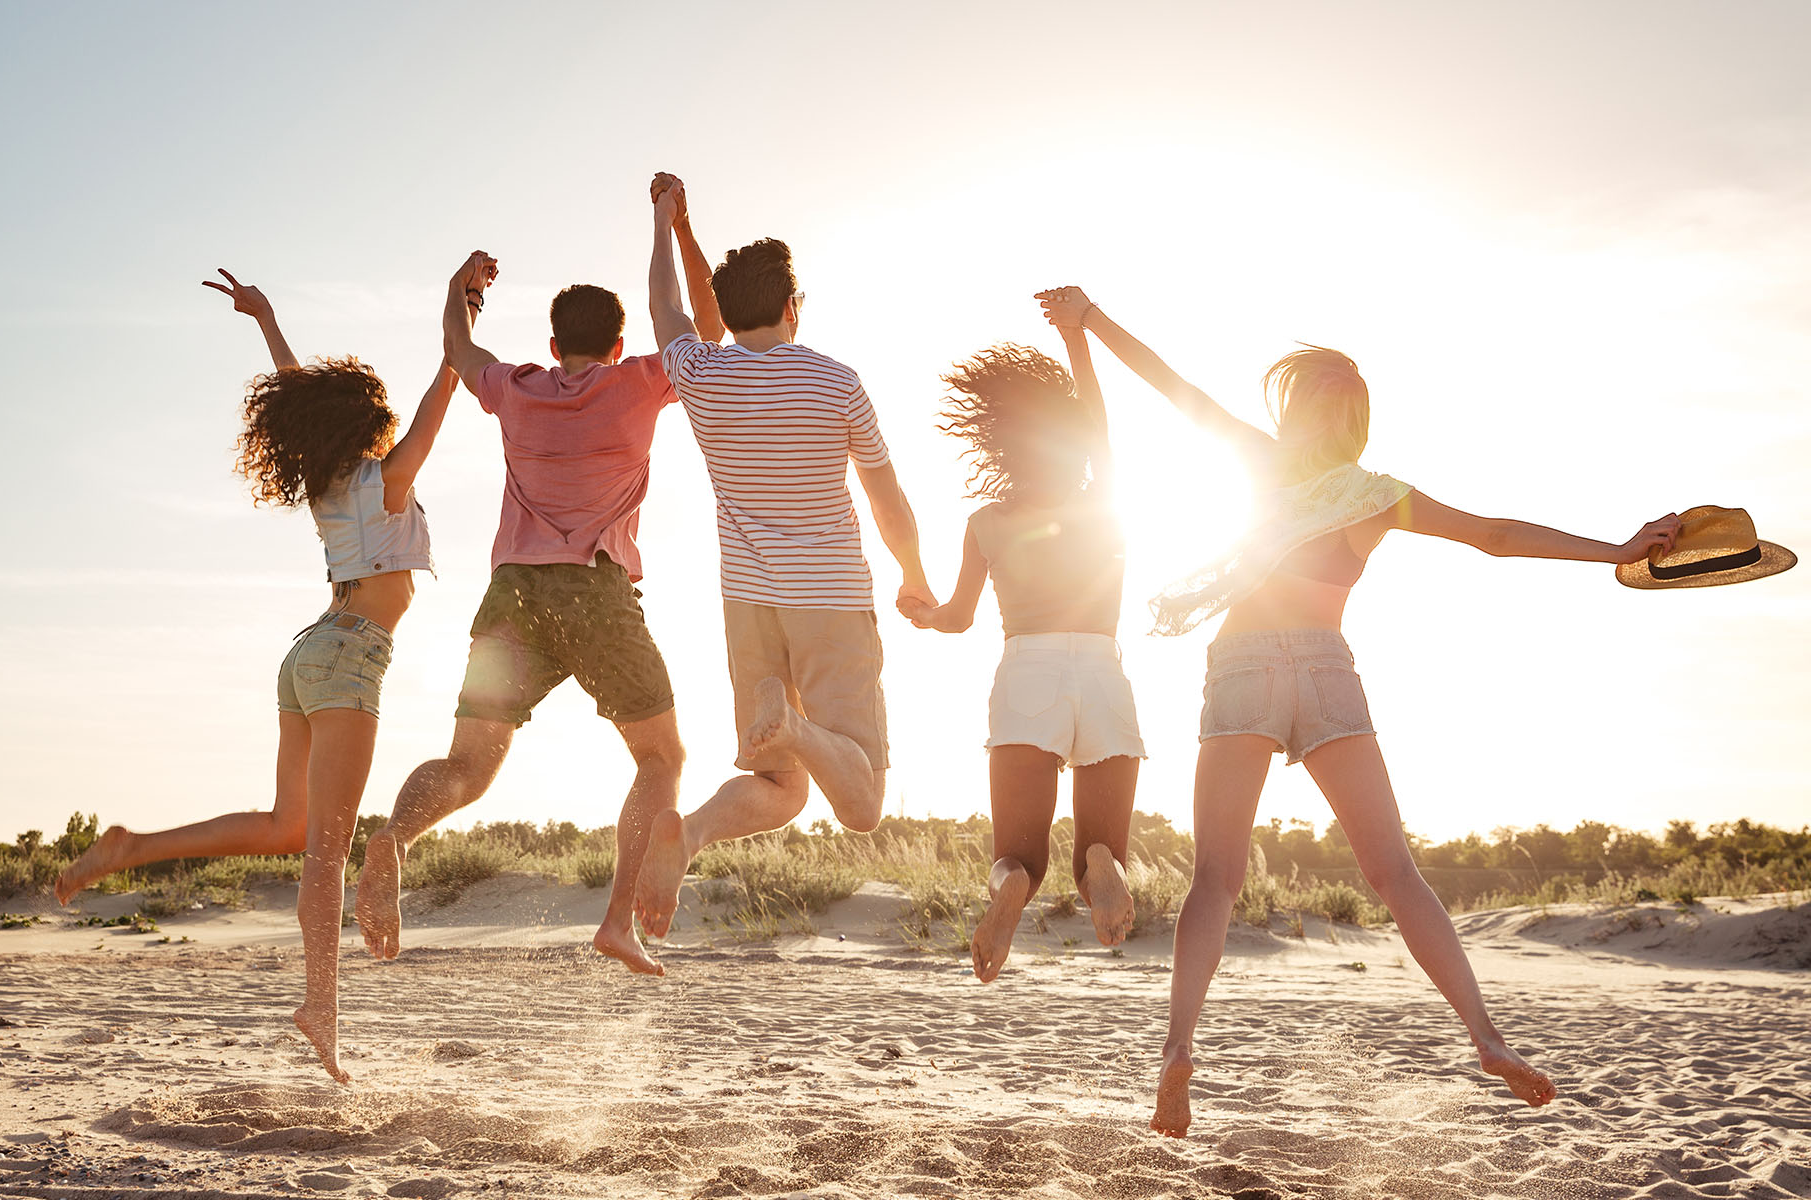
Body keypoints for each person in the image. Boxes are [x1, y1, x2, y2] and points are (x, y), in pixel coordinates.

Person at [1036, 284, 1680, 1136]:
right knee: (1396, 874)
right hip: (1327, 669)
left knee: (1217, 879)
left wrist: (1086, 321)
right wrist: (1616, 550)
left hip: (1244, 666)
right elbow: (1494, 535)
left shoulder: (1256, 459)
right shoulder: (1375, 494)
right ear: (1357, 423)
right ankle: (1487, 1038)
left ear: (1296, 411)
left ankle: (1178, 1049)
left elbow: (1167, 383)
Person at [56, 268, 463, 1082]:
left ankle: (131, 847)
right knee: (325, 850)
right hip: (348, 658)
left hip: (307, 657)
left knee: (288, 828)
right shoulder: (386, 481)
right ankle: (321, 1007)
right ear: (367, 424)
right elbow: (437, 402)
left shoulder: (328, 482)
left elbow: (295, 391)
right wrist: (460, 331)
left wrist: (269, 322)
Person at [354, 221, 726, 978]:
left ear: (554, 346)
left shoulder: (517, 388)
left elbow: (458, 350)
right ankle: (617, 923)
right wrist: (673, 225)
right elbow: (708, 334)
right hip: (596, 593)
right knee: (661, 756)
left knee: (467, 766)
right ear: (617, 345)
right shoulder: (637, 381)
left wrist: (459, 289)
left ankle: (393, 837)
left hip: (513, 595)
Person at [633, 177, 935, 939]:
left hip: (749, 602)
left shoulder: (701, 375)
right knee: (861, 807)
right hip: (830, 596)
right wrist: (914, 574)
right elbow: (886, 497)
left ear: (727, 312)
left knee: (780, 788)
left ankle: (690, 833)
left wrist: (668, 223)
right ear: (793, 306)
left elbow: (666, 303)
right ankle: (794, 729)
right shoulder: (836, 382)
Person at [904, 334, 1145, 982]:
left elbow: (958, 618)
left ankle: (1008, 890)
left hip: (1026, 674)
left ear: (1003, 444)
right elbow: (1097, 419)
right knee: (1100, 845)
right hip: (1102, 673)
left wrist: (924, 613)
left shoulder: (987, 522)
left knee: (1020, 859)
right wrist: (1075, 335)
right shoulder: (1103, 502)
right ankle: (1104, 866)